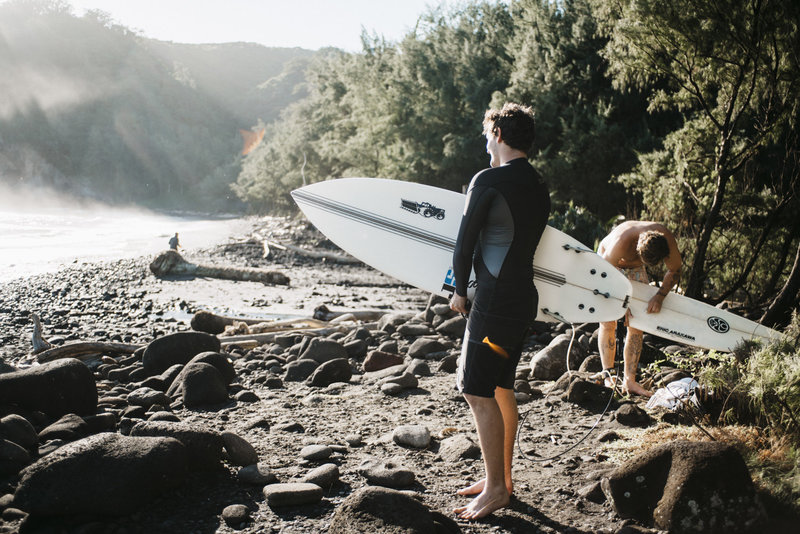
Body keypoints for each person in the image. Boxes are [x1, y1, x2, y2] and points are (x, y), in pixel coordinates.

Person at [449, 103, 550, 520]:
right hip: (522, 299)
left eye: (488, 134)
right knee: (501, 387)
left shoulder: (487, 179)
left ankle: (495, 489)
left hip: (493, 301)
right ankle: (501, 478)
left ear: (500, 136)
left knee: (476, 389)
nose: (485, 141)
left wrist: (458, 291)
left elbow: (465, 242)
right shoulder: (539, 185)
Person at [596, 221, 682, 397]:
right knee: (608, 322)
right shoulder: (621, 242)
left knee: (637, 322)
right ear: (638, 250)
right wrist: (619, 301)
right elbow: (602, 272)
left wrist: (659, 296)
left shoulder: (666, 240)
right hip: (608, 266)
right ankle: (608, 376)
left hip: (634, 268)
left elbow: (676, 269)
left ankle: (630, 381)